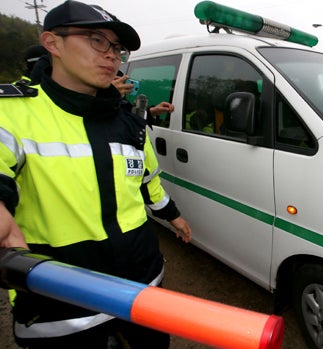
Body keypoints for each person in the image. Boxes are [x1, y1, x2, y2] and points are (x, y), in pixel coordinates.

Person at [0, 1, 192, 348]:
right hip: (61, 300)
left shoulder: (131, 123)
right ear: (52, 43)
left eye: (116, 47)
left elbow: (148, 180)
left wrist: (173, 216)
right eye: (95, 40)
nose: (111, 55)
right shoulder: (11, 114)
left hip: (142, 287)